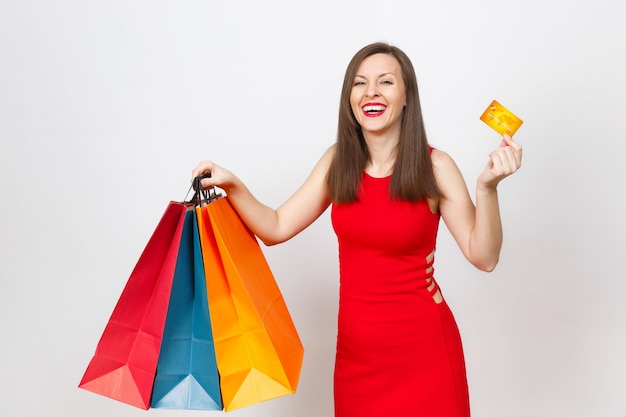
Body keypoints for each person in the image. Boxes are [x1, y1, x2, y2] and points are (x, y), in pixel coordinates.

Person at [192, 42, 522, 417]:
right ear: (349, 98)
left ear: (406, 98)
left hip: (426, 355)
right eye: (360, 83)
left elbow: (485, 257)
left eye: (385, 82)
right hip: (357, 362)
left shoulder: (437, 167)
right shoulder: (337, 163)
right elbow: (276, 226)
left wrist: (488, 188)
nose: (371, 92)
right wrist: (232, 184)